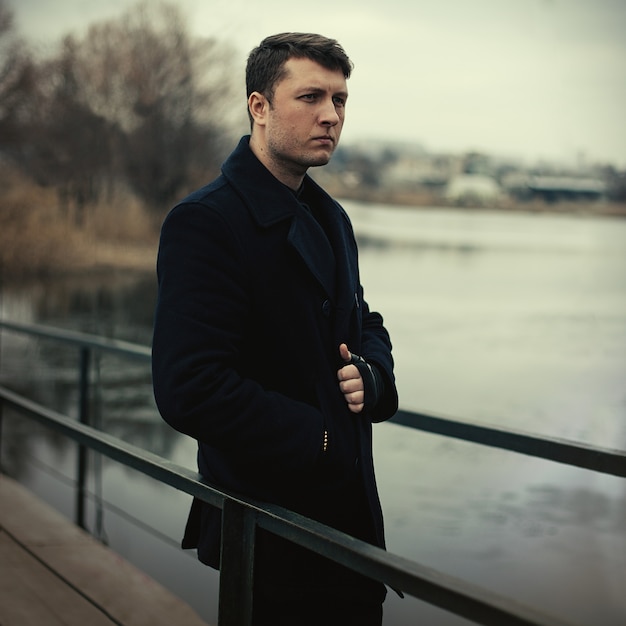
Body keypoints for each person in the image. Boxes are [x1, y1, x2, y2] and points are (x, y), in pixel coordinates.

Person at [151, 32, 398, 626]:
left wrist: (374, 376)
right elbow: (191, 387)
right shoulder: (206, 222)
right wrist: (317, 436)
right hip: (265, 517)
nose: (330, 116)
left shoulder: (327, 213)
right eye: (310, 97)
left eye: (339, 100)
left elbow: (362, 318)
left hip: (348, 515)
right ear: (259, 107)